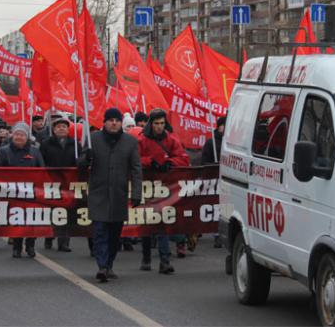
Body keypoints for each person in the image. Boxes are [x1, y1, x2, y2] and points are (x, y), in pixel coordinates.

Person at [79, 108, 142, 282]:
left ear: (121, 123)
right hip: (99, 194)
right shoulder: (93, 140)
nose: (114, 123)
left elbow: (136, 169)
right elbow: (80, 166)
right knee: (100, 232)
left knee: (115, 234)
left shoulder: (130, 141)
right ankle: (102, 266)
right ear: (104, 122)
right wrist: (86, 159)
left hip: (119, 195)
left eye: (117, 120)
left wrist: (137, 192)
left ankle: (109, 263)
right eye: (110, 120)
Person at [137, 108, 190, 273]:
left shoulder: (171, 139)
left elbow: (184, 159)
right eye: (156, 123)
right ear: (151, 124)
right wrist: (150, 162)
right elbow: (134, 159)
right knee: (146, 223)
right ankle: (146, 258)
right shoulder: (141, 140)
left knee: (162, 223)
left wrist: (170, 163)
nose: (159, 126)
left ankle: (164, 261)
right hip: (147, 186)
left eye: (162, 123)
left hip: (165, 187)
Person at [0, 122, 45, 258]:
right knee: (16, 220)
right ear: (12, 135)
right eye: (16, 134)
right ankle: (17, 247)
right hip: (13, 192)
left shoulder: (35, 151)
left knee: (32, 220)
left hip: (32, 192)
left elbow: (42, 170)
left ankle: (30, 246)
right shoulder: (4, 151)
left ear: (27, 137)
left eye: (22, 134)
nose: (19, 137)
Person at [40, 117, 81, 252]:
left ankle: (64, 241)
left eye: (64, 126)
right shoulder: (46, 144)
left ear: (68, 129)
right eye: (58, 127)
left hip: (69, 183)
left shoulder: (75, 144)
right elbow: (42, 162)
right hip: (52, 182)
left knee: (67, 212)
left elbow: (80, 162)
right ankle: (50, 236)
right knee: (53, 211)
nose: (61, 128)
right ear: (53, 130)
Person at [202, 116, 226, 248]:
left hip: (226, 181)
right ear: (219, 126)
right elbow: (204, 161)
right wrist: (212, 166)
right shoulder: (211, 143)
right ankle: (216, 234)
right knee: (214, 205)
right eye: (223, 125)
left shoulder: (231, 142)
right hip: (214, 180)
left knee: (227, 206)